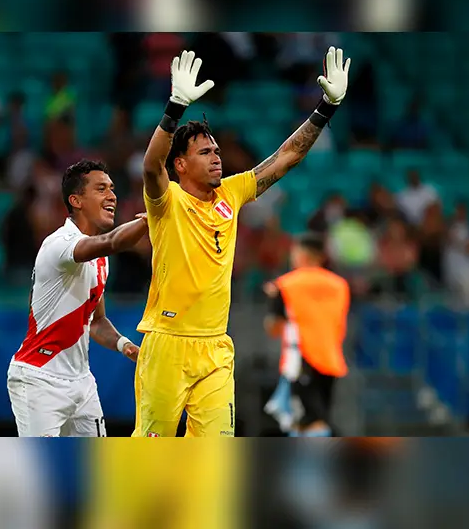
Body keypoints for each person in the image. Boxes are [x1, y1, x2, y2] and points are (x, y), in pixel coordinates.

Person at [133, 47, 351, 437]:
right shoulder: (167, 200)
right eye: (205, 152)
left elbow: (285, 157)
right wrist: (175, 106)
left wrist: (326, 108)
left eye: (217, 150)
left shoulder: (231, 192)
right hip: (168, 344)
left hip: (216, 347)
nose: (217, 157)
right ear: (180, 164)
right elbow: (151, 165)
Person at [7, 160, 149, 437]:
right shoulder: (59, 244)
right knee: (43, 464)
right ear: (76, 200)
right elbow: (112, 242)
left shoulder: (101, 260)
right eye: (101, 189)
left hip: (82, 383)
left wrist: (125, 345)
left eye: (112, 188)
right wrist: (151, 218)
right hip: (39, 378)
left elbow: (96, 321)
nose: (112, 196)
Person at [263, 234, 350, 437]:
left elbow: (273, 328)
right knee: (318, 416)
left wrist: (273, 299)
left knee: (306, 422)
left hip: (301, 360)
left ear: (302, 254)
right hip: (330, 359)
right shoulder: (339, 285)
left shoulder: (286, 285)